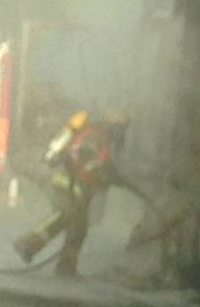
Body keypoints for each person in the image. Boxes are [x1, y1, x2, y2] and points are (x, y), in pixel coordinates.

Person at [13, 106, 142, 276]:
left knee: (79, 228)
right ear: (113, 120)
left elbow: (99, 164)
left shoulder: (104, 138)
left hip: (81, 186)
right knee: (65, 215)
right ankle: (28, 243)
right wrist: (105, 173)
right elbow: (84, 159)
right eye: (122, 122)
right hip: (68, 183)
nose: (123, 128)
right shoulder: (96, 134)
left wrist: (109, 175)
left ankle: (66, 267)